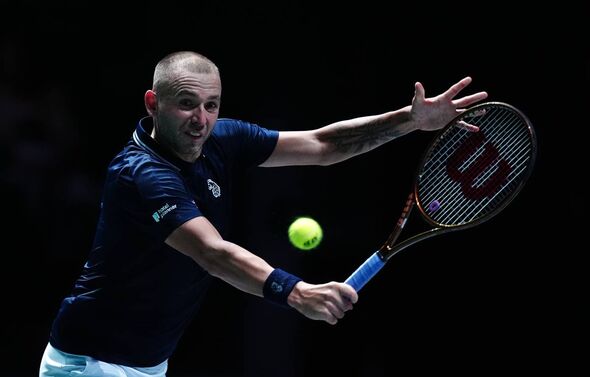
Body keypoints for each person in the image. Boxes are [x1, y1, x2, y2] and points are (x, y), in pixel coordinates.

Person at [40, 50, 487, 376]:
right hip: (90, 361)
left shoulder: (223, 139)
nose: (201, 119)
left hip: (149, 362)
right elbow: (213, 253)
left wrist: (410, 121)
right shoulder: (140, 175)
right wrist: (295, 292)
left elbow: (322, 145)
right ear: (152, 103)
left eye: (211, 105)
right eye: (186, 104)